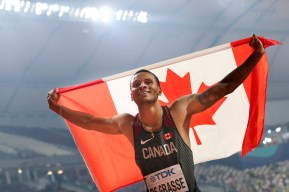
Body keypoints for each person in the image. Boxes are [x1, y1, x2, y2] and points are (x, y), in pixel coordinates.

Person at [47, 34, 265, 192]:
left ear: (159, 90)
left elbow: (223, 88)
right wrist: (59, 108)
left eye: (148, 82)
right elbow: (89, 121)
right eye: (136, 84)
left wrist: (255, 57)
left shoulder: (179, 111)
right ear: (132, 95)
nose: (142, 86)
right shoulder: (127, 124)